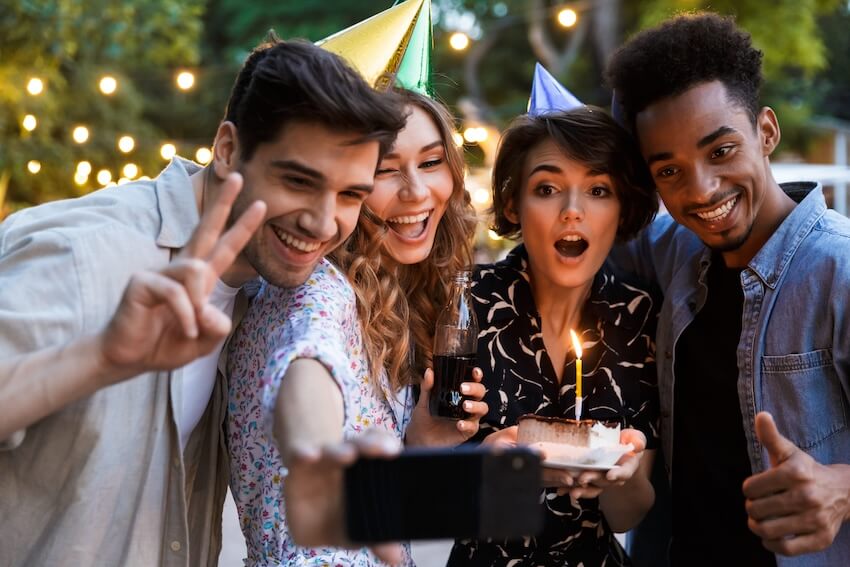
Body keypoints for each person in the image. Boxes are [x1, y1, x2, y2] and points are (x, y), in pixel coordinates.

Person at [0, 37, 407, 567]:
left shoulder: (264, 288)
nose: (324, 221)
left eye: (350, 195)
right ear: (228, 149)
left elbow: (306, 363)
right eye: (298, 181)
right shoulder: (85, 252)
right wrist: (99, 358)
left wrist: (319, 455)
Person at [605, 11, 850, 566]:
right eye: (669, 171)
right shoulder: (677, 249)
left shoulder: (839, 268)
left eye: (720, 152)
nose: (702, 190)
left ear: (766, 131)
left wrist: (842, 488)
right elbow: (582, 221)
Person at [226, 87, 484, 566]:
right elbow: (306, 362)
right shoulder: (318, 292)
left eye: (431, 162)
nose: (416, 191)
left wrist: (418, 441)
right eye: (386, 170)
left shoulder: (375, 293)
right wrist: (317, 455)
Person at [446, 107, 660, 566]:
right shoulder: (464, 303)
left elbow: (628, 515)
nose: (573, 211)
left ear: (622, 209)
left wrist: (617, 478)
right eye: (547, 189)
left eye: (599, 190)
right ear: (512, 205)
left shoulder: (640, 316)